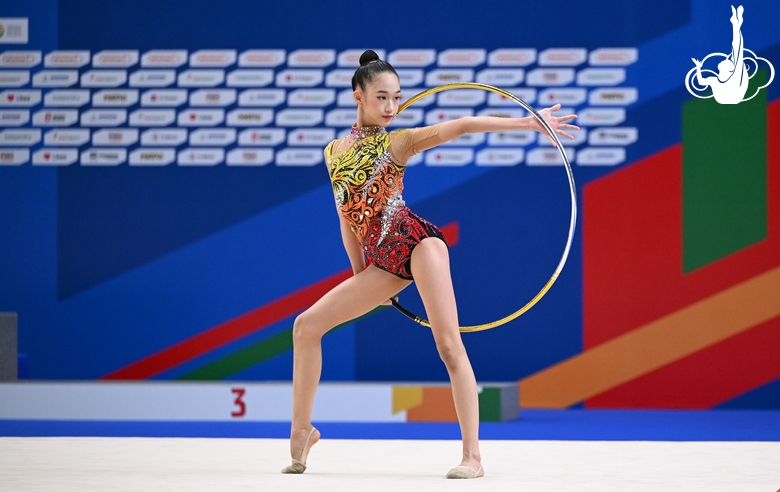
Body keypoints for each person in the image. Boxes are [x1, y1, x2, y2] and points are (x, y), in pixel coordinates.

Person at [282, 49, 578, 479]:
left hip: (418, 243)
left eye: (396, 98)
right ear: (357, 96)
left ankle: (472, 456)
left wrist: (527, 122)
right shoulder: (333, 153)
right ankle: (302, 432)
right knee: (305, 327)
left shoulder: (398, 141)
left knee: (447, 344)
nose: (390, 107)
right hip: (382, 261)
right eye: (381, 97)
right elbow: (346, 218)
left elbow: (461, 126)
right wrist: (359, 274)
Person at [692, 5, 748, 104]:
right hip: (727, 98)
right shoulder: (714, 80)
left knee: (737, 51)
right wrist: (698, 67)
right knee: (737, 52)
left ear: (729, 69)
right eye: (728, 60)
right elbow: (701, 82)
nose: (724, 59)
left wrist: (736, 26)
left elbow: (737, 48)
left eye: (727, 61)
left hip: (734, 96)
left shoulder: (734, 77)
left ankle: (736, 23)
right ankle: (736, 23)